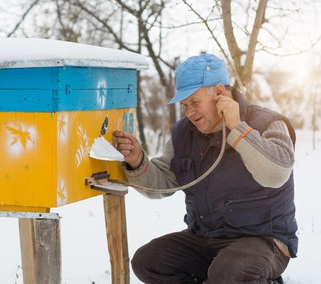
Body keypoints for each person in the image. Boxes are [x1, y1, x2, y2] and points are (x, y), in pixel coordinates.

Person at [113, 53, 298, 284]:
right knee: (147, 260)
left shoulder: (268, 123)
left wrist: (237, 127)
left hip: (263, 239)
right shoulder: (184, 132)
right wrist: (138, 160)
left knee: (229, 272)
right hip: (206, 238)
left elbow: (276, 174)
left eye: (194, 102)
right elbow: (162, 183)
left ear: (219, 93)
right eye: (184, 105)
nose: (189, 112)